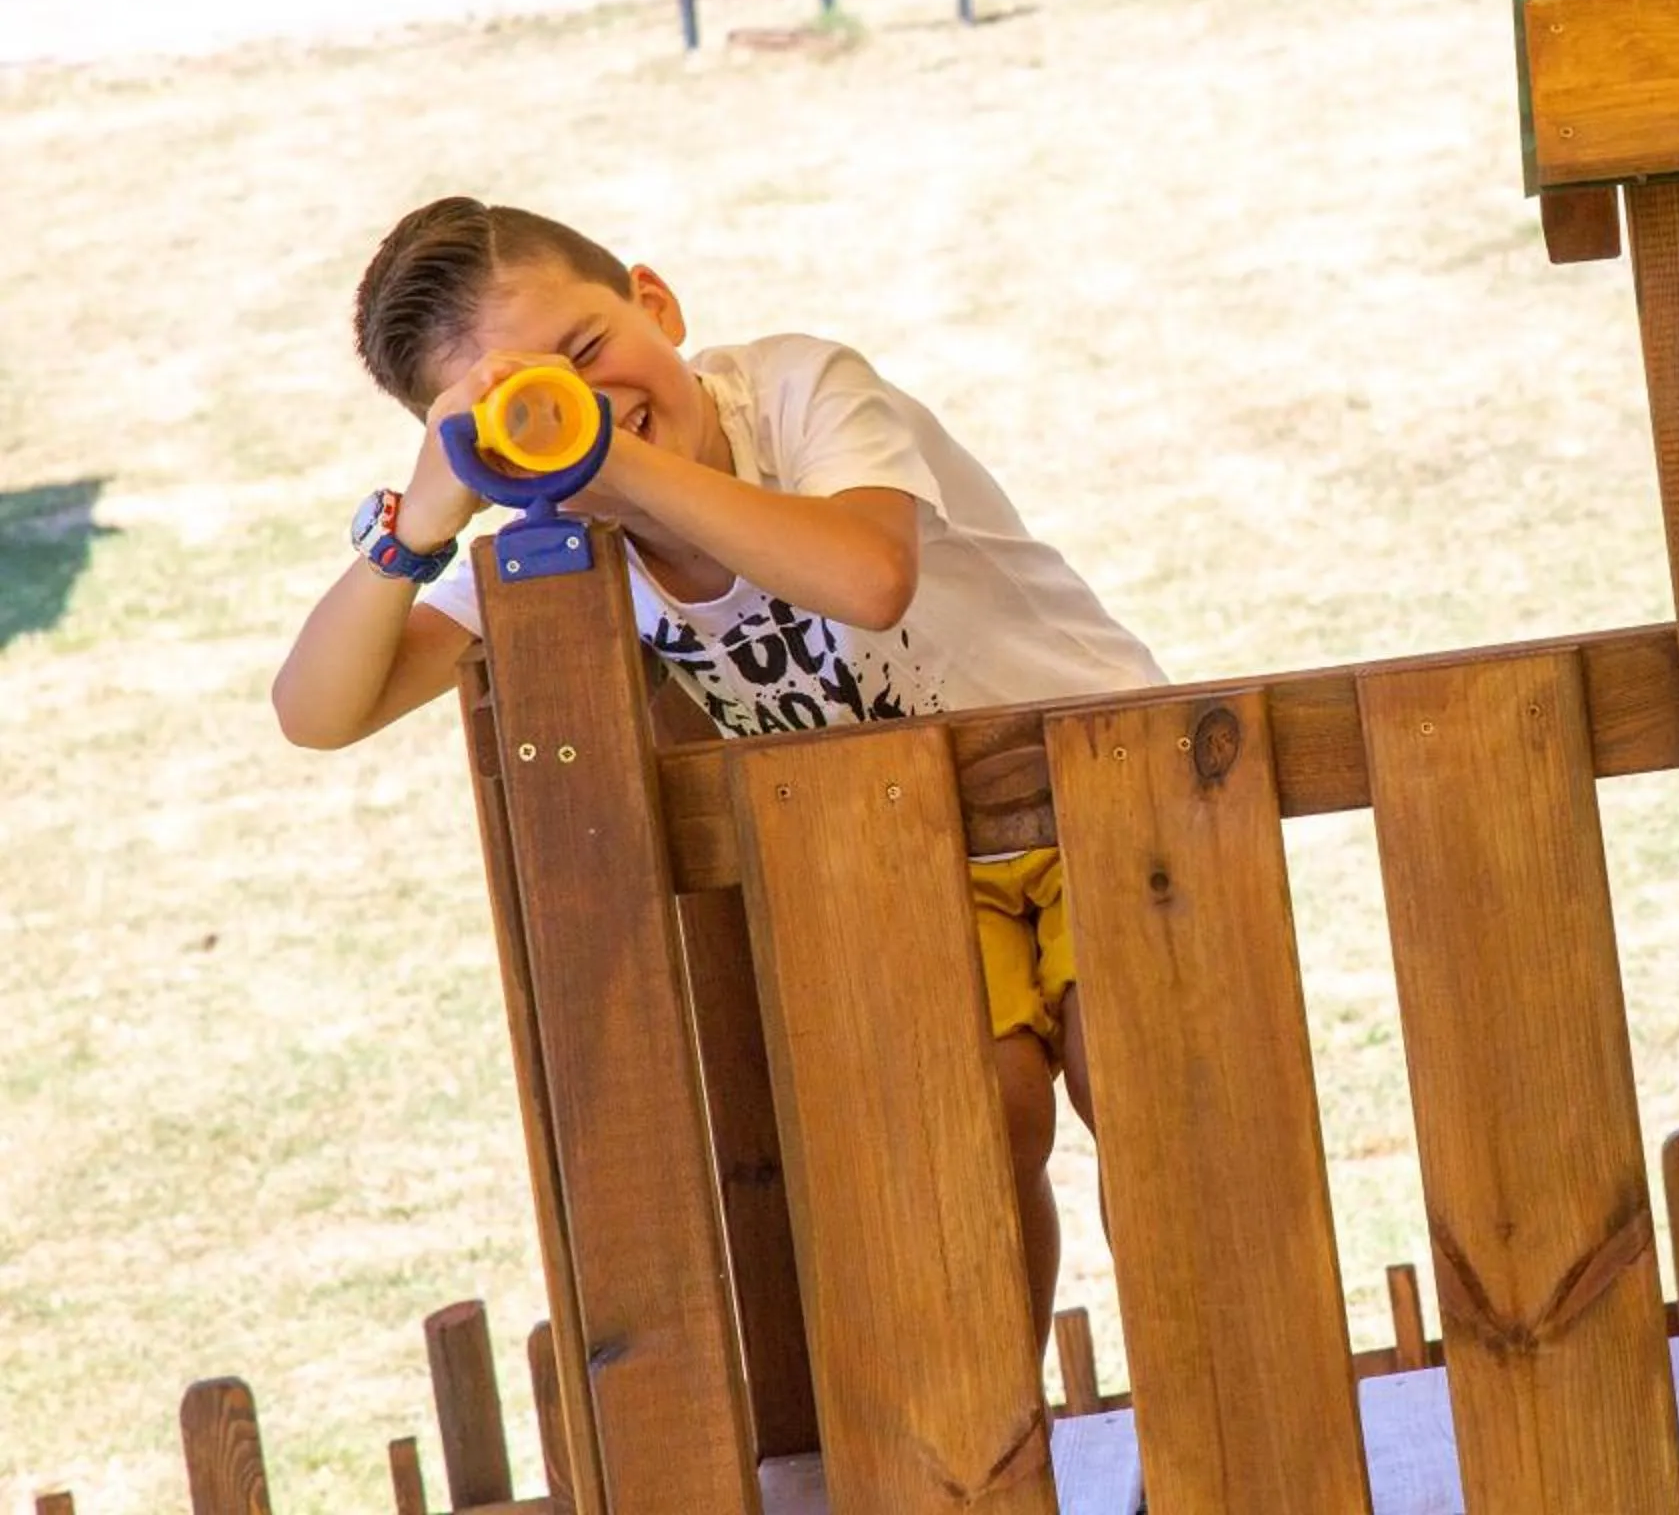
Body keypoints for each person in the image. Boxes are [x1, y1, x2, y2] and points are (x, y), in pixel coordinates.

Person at [273, 198, 1162, 1334]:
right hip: (913, 848)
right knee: (975, 1127)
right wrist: (418, 530)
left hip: (1095, 777)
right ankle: (999, 1465)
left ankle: (1221, 1435)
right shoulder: (559, 536)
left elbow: (867, 575)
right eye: (521, 406)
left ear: (656, 301)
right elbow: (318, 710)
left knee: (1144, 1084)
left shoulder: (798, 392)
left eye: (588, 350)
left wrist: (622, 468)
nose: (585, 406)